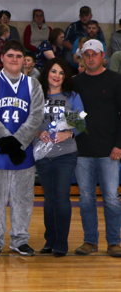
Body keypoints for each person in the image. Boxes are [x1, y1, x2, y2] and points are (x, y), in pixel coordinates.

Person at [0, 40, 44, 256]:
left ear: (25, 60)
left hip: (22, 152)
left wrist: (19, 143)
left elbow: (36, 116)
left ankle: (19, 239)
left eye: (18, 56)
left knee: (23, 199)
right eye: (10, 55)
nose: (14, 59)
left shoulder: (33, 84)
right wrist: (6, 142)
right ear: (2, 58)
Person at [72, 39, 121, 257]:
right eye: (86, 54)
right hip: (82, 152)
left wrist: (119, 145)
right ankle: (89, 240)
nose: (90, 58)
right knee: (85, 199)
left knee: (111, 198)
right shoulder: (75, 83)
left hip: (110, 152)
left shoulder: (116, 80)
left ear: (103, 56)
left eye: (95, 54)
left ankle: (114, 242)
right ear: (82, 57)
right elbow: (73, 117)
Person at [34, 58, 83, 258]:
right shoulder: (38, 96)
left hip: (65, 154)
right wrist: (38, 133)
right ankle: (50, 241)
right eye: (54, 71)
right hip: (42, 155)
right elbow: (30, 122)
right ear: (47, 73)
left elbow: (80, 123)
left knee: (61, 198)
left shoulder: (71, 96)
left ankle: (61, 243)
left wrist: (68, 133)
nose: (57, 76)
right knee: (49, 199)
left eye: (61, 73)